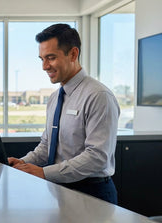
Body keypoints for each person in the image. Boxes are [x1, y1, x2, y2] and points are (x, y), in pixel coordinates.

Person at [8, 23, 120, 204]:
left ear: (73, 54)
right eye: (42, 59)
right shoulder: (54, 98)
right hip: (59, 189)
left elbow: (97, 157)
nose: (45, 66)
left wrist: (43, 173)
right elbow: (47, 146)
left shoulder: (99, 96)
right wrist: (22, 164)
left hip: (92, 193)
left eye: (50, 58)